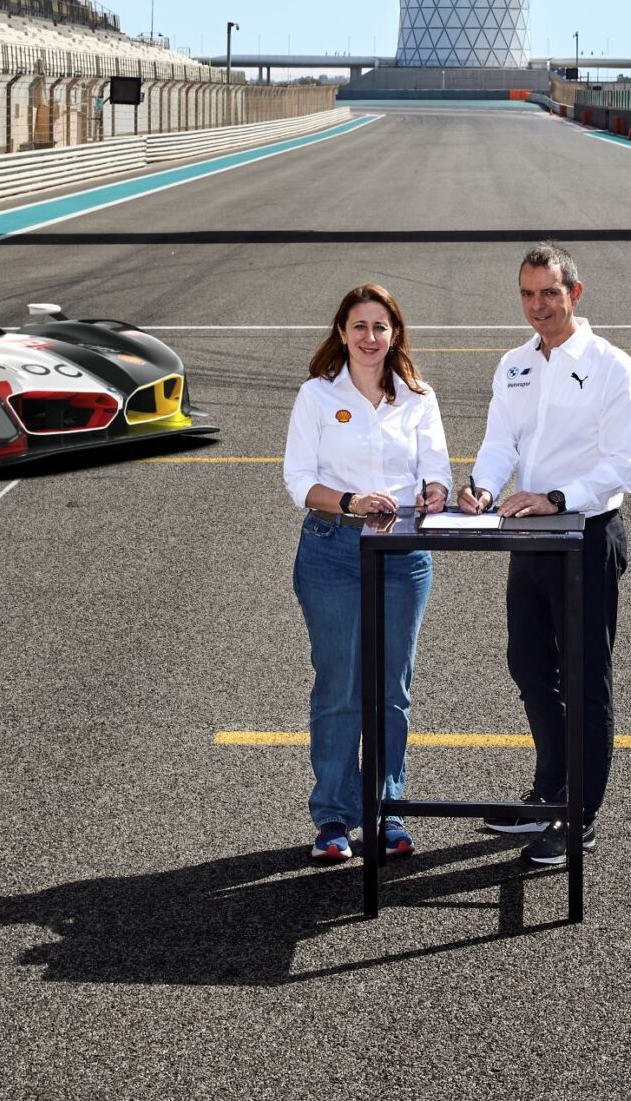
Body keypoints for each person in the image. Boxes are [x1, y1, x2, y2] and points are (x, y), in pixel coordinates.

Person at [459, 243, 631, 869]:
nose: (538, 306)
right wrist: (484, 485)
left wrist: (558, 497)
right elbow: (500, 440)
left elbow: (624, 464)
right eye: (527, 294)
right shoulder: (513, 364)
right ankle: (548, 794)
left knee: (587, 682)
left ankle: (580, 815)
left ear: (576, 293)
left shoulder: (613, 367)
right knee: (532, 669)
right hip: (531, 537)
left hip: (587, 537)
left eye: (550, 293)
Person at [281, 284, 451, 866]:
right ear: (342, 332)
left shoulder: (419, 397)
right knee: (339, 689)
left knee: (392, 689)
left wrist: (435, 490)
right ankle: (333, 818)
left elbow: (437, 468)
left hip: (403, 552)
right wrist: (351, 502)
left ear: (395, 333)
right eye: (360, 326)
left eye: (381, 326)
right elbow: (299, 481)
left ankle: (387, 811)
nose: (370, 337)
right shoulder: (316, 396)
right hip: (332, 550)